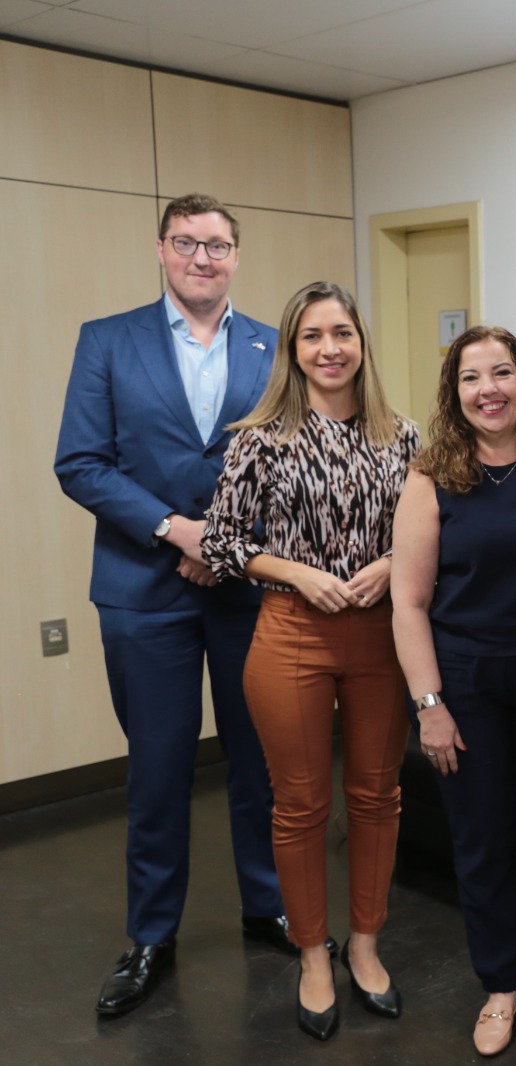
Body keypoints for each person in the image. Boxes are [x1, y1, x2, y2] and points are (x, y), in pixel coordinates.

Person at [54, 193, 299, 1016]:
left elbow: (291, 465)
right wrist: (175, 530)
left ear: (236, 256)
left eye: (218, 245)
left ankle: (268, 905)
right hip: (142, 589)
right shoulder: (107, 341)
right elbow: (81, 463)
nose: (203, 258)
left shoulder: (274, 347)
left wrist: (221, 541)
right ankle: (152, 936)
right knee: (157, 771)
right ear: (161, 250)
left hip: (244, 586)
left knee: (259, 761)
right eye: (187, 243)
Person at [201, 281, 418, 1041]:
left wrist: (390, 563)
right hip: (292, 633)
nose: (330, 349)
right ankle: (312, 953)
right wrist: (296, 572)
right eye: (313, 336)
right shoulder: (260, 437)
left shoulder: (403, 436)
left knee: (377, 797)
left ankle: (365, 944)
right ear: (293, 351)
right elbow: (222, 542)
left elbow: (433, 531)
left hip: (381, 637)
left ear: (362, 342)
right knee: (298, 805)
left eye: (342, 333)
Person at [391, 325, 516, 1056]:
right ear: (454, 393)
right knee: (482, 839)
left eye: (501, 373)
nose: (488, 390)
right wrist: (429, 706)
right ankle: (500, 985)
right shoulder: (432, 476)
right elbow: (409, 603)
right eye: (471, 378)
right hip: (465, 685)